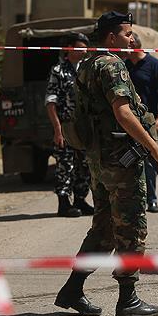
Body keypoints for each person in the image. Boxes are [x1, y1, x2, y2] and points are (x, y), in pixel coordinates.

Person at [54, 11, 158, 316]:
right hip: (119, 161)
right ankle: (128, 299)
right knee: (131, 227)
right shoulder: (113, 65)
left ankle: (73, 289)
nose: (132, 39)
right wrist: (154, 147)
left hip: (99, 160)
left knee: (103, 228)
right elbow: (123, 113)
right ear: (111, 37)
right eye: (127, 34)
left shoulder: (88, 64)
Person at [45, 33, 94, 218]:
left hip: (85, 127)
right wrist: (57, 130)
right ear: (69, 48)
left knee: (85, 164)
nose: (84, 51)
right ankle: (64, 203)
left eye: (85, 48)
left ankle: (80, 199)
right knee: (65, 165)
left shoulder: (87, 69)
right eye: (80, 48)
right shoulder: (58, 71)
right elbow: (51, 102)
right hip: (66, 126)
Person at [125, 33, 158, 213]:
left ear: (135, 46)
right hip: (129, 121)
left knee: (151, 161)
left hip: (148, 121)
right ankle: (135, 199)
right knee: (129, 161)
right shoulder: (125, 65)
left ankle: (152, 199)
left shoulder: (153, 65)